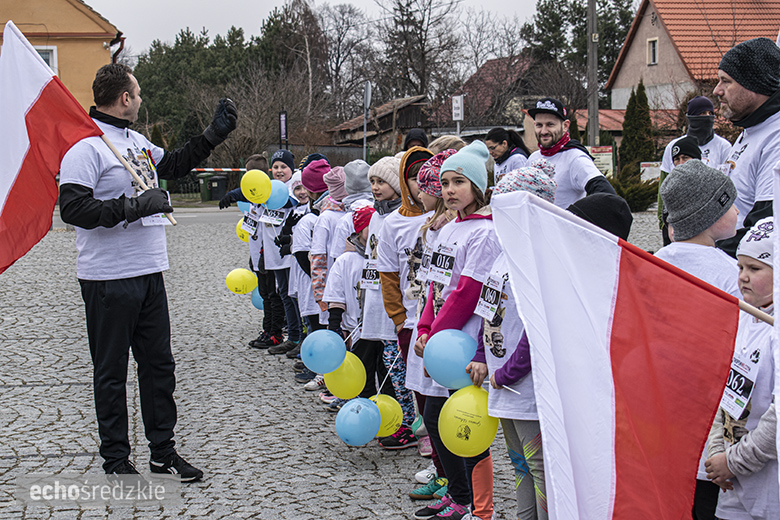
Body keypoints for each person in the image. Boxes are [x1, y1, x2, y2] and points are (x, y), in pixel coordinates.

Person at [58, 63, 237, 479]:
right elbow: (73, 208)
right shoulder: (86, 146)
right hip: (107, 277)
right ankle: (117, 460)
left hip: (149, 271)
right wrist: (133, 207)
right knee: (112, 371)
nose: (140, 100)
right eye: (137, 94)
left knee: (158, 367)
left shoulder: (134, 140)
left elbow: (172, 164)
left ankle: (163, 452)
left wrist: (214, 134)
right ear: (124, 99)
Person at [413, 141, 501, 520]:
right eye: (445, 182)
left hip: (464, 338)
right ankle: (458, 492)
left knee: (467, 419)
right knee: (435, 415)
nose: (449, 190)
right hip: (440, 336)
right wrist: (424, 326)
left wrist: (437, 334)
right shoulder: (448, 228)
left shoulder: (484, 232)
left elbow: (467, 292)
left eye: (459, 182)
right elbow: (433, 285)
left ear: (477, 188)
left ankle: (480, 507)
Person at [656, 159, 740, 519]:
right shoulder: (730, 275)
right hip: (709, 411)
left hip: (663, 407)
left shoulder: (656, 261)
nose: (738, 210)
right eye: (730, 203)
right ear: (709, 216)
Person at [706, 217, 778, 520]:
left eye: (755, 269)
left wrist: (733, 461)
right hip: (734, 486)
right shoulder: (746, 318)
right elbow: (725, 393)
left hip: (769, 486)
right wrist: (716, 454)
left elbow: (776, 420)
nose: (743, 278)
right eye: (740, 268)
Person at [377, 146, 434, 452]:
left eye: (426, 176)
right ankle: (425, 435)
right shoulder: (393, 224)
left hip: (440, 315)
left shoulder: (444, 217)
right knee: (420, 384)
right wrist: (398, 319)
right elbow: (387, 276)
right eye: (413, 178)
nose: (420, 184)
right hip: (411, 318)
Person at [361, 157, 417, 446]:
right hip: (376, 299)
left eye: (381, 181)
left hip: (399, 305)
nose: (375, 187)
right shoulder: (375, 216)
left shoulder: (403, 219)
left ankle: (407, 422)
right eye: (372, 182)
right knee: (388, 363)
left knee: (400, 365)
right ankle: (395, 418)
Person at [713, 37, 780, 256]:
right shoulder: (751, 127)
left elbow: (765, 225)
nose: (717, 90)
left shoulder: (776, 135)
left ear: (754, 84)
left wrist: (713, 258)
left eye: (726, 81)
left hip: (742, 271)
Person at [658, 96, 732, 245]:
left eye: (709, 114)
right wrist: (662, 221)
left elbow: (729, 185)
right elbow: (663, 185)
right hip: (680, 217)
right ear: (690, 118)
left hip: (712, 219)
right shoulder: (674, 146)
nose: (705, 118)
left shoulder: (724, 147)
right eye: (700, 115)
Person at [526, 97, 615, 208]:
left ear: (565, 126)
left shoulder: (575, 158)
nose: (543, 131)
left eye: (550, 125)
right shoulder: (533, 158)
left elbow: (607, 194)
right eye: (539, 125)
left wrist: (581, 217)